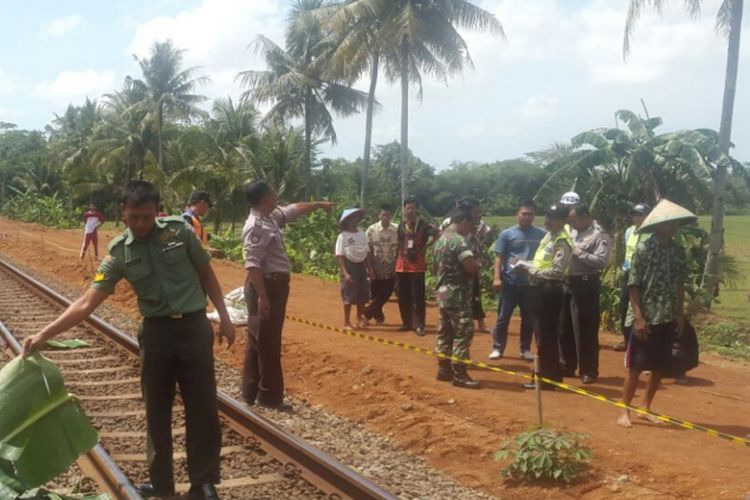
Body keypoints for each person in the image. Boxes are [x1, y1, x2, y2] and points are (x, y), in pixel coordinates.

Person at [23, 181, 235, 500]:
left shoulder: (179, 232)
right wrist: (43, 334)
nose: (139, 224)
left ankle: (203, 483)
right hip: (156, 333)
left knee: (202, 407)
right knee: (156, 409)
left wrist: (226, 318)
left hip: (193, 328)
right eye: (133, 217)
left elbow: (207, 274)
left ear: (156, 212)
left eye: (146, 217)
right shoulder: (120, 253)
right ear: (123, 212)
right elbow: (86, 302)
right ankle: (161, 483)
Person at [241, 180, 334, 411]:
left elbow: (294, 208)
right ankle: (269, 397)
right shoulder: (257, 225)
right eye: (273, 194)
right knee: (268, 342)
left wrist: (319, 204)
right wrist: (263, 297)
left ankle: (250, 392)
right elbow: (252, 264)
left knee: (258, 340)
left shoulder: (270, 217)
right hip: (266, 285)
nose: (276, 198)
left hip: (273, 285)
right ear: (265, 198)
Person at [617, 199, 694, 428]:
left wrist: (680, 314)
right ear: (658, 224)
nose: (672, 227)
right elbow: (634, 285)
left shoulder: (678, 251)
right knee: (636, 366)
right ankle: (624, 411)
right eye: (668, 223)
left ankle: (645, 406)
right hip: (647, 315)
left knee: (660, 365)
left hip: (668, 314)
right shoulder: (643, 249)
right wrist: (639, 317)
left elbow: (680, 283)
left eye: (676, 224)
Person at [517, 204, 573, 390]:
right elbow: (541, 262)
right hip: (539, 290)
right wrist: (526, 263)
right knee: (542, 335)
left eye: (553, 218)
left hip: (550, 291)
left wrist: (529, 269)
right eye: (547, 216)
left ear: (563, 220)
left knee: (546, 337)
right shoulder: (549, 236)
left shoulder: (562, 241)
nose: (547, 221)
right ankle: (551, 376)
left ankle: (546, 378)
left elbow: (557, 271)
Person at [560, 204, 611, 384]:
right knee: (564, 327)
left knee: (585, 329)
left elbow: (601, 261)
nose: (572, 224)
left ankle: (588, 369)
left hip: (585, 284)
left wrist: (578, 252)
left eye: (574, 220)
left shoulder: (599, 234)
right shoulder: (571, 231)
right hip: (567, 282)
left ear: (586, 216)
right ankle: (567, 364)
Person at [489, 200, 546, 361]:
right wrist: (496, 277)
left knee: (528, 318)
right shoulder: (507, 234)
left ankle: (525, 349)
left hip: (531, 283)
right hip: (510, 282)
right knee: (502, 317)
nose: (527, 217)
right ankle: (498, 348)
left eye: (530, 214)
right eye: (524, 214)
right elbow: (499, 257)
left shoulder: (541, 235)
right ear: (517, 214)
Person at [433, 208, 480, 389]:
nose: (471, 229)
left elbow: (433, 267)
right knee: (463, 330)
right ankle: (459, 373)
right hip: (456, 292)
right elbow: (470, 267)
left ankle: (443, 369)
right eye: (471, 225)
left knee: (445, 330)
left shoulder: (440, 241)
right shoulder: (459, 242)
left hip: (442, 291)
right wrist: (478, 264)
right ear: (464, 222)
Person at [395, 196, 440, 336]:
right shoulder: (401, 225)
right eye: (408, 208)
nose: (410, 211)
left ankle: (419, 325)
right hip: (402, 265)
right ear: (404, 209)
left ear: (417, 209)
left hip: (417, 266)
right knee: (403, 296)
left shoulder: (424, 225)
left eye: (413, 208)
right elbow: (398, 243)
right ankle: (406, 323)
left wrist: (426, 247)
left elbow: (438, 234)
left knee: (418, 297)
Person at [614, 203, 651, 351]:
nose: (637, 217)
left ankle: (643, 341)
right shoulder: (629, 231)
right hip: (627, 272)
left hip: (643, 274)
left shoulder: (651, 233)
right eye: (635, 214)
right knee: (624, 306)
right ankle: (626, 338)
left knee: (641, 307)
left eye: (640, 214)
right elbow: (625, 251)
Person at [335, 208, 374, 331]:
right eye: (351, 218)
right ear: (346, 221)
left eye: (356, 218)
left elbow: (366, 252)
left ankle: (358, 319)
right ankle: (347, 322)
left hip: (361, 265)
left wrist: (370, 269)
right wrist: (345, 273)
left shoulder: (361, 234)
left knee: (362, 294)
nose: (354, 220)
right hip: (349, 265)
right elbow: (339, 255)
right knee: (348, 294)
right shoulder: (343, 236)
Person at [364, 204, 398, 325]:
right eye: (383, 214)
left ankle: (365, 313)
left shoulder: (397, 230)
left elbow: (399, 249)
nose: (386, 217)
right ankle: (379, 317)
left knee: (387, 293)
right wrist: (370, 268)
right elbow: (367, 251)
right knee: (376, 294)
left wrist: (397, 266)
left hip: (391, 268)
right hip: (376, 267)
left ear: (391, 216)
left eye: (388, 215)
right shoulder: (371, 230)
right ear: (379, 215)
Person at [183, 190, 223, 257]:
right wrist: (208, 249)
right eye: (207, 206)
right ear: (202, 203)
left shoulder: (195, 219)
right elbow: (188, 243)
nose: (207, 210)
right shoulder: (186, 218)